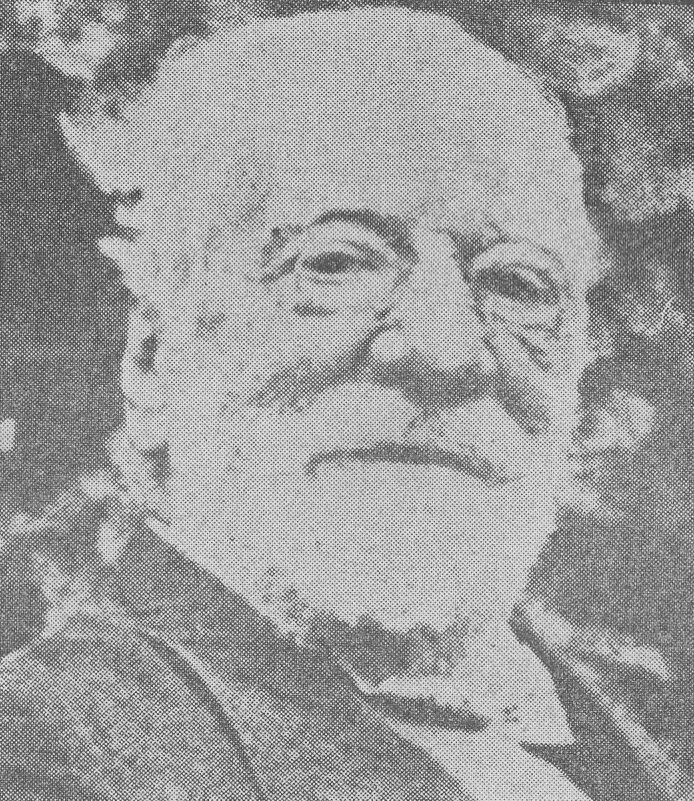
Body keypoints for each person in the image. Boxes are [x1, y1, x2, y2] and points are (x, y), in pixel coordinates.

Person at [1, 8, 602, 799]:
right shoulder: (43, 745)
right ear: (152, 358)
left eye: (517, 282)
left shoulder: (633, 743)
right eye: (338, 261)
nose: (446, 350)